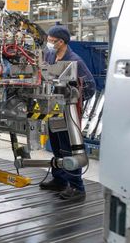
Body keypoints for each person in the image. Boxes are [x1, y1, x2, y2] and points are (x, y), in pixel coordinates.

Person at [40, 25, 96, 202]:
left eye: (51, 41)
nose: (48, 43)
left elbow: (90, 87)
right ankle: (60, 180)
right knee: (57, 146)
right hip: (53, 110)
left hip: (68, 113)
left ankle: (77, 187)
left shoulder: (75, 61)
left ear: (61, 42)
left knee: (69, 148)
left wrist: (74, 101)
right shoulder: (50, 55)